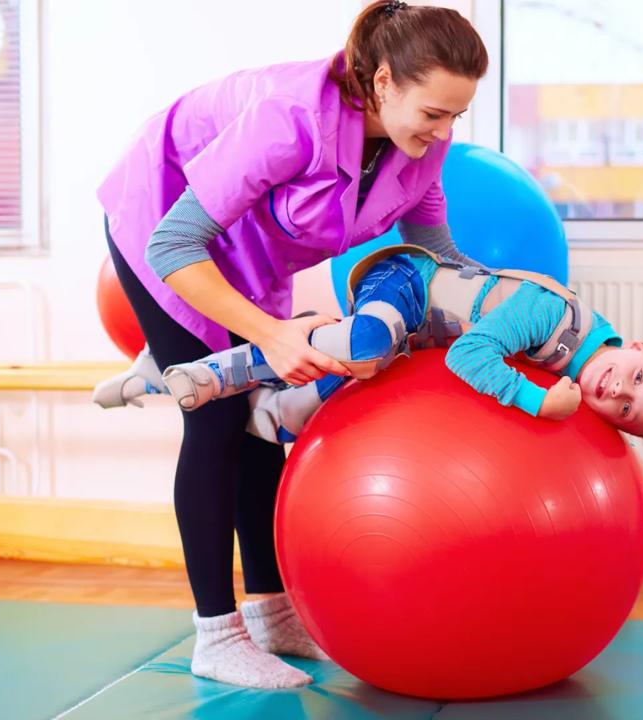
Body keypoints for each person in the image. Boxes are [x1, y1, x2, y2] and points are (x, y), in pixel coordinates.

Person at [95, 0, 488, 688]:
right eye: (434, 112)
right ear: (386, 81)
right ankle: (216, 635)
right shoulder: (289, 118)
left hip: (249, 256)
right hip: (164, 224)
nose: (445, 130)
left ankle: (274, 613)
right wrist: (272, 335)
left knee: (258, 421)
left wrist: (508, 306)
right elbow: (174, 243)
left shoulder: (424, 148)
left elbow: (435, 252)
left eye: (457, 115)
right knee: (217, 419)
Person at [115, 245, 643, 444]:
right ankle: (218, 372)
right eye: (634, 379)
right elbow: (470, 356)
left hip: (410, 344)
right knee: (366, 343)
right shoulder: (554, 317)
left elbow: (602, 428)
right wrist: (538, 404)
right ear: (636, 346)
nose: (616, 389)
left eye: (624, 411)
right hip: (406, 285)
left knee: (303, 414)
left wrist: (635, 468)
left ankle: (160, 373)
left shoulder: (586, 369)